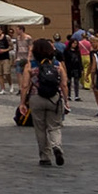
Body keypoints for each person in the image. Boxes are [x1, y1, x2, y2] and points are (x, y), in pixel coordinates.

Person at [21, 37, 67, 166]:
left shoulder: (30, 65)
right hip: (54, 98)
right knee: (55, 126)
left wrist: (22, 102)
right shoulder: (57, 65)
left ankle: (45, 156)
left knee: (40, 128)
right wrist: (66, 100)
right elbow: (64, 84)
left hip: (36, 97)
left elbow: (24, 85)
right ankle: (56, 146)